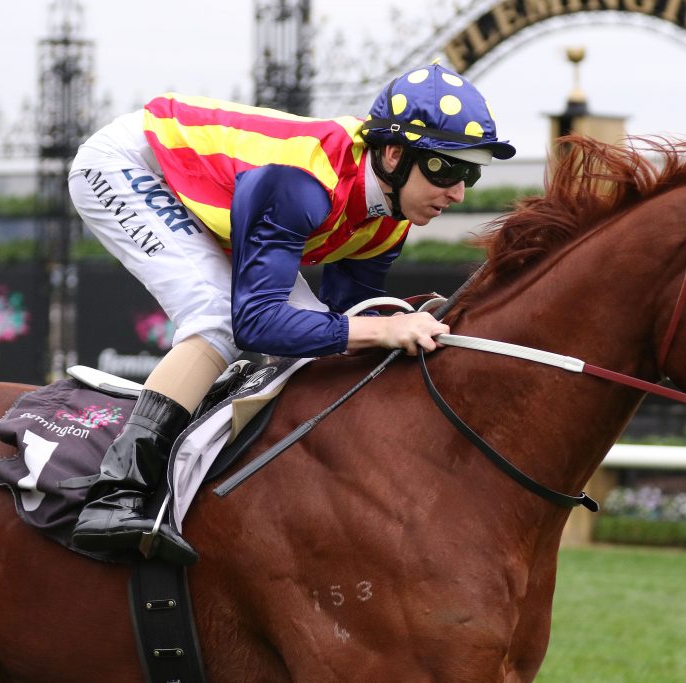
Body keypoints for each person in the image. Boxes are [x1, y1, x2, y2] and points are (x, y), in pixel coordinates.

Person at [66, 63, 516, 565]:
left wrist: (394, 327)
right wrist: (386, 327)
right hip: (131, 164)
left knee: (319, 339)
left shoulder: (391, 216)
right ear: (394, 154)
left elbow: (348, 319)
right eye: (446, 169)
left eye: (470, 173)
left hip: (213, 188)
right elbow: (256, 322)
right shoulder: (301, 182)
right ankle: (115, 495)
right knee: (218, 318)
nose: (458, 192)